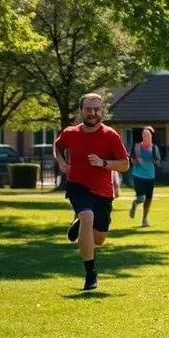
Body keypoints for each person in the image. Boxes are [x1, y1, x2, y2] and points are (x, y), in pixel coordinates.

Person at [54, 93, 130, 290]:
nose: (93, 113)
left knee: (99, 239)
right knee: (87, 216)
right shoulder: (70, 133)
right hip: (77, 185)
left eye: (96, 109)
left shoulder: (110, 135)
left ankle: (79, 222)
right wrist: (62, 162)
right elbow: (58, 145)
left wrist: (103, 163)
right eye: (88, 109)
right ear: (81, 111)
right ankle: (90, 273)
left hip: (103, 192)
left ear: (102, 111)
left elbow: (124, 165)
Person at [128, 126, 161, 227]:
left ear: (151, 136)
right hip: (138, 175)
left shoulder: (154, 148)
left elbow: (158, 162)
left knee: (148, 199)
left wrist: (153, 161)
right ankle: (135, 204)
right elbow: (131, 159)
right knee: (141, 198)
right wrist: (136, 160)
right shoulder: (137, 146)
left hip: (150, 176)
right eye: (143, 134)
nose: (145, 136)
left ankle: (144, 219)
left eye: (147, 134)